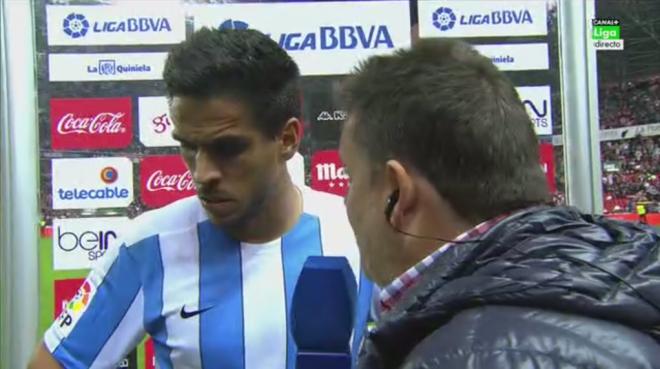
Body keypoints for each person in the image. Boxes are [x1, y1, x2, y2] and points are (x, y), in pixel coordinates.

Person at [29, 27, 372, 369]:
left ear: (287, 139)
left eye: (228, 148)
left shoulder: (358, 234)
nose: (202, 173)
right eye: (189, 147)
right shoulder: (147, 247)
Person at [339, 38, 660, 369]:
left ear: (398, 194)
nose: (347, 199)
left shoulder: (465, 356)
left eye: (351, 177)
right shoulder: (619, 284)